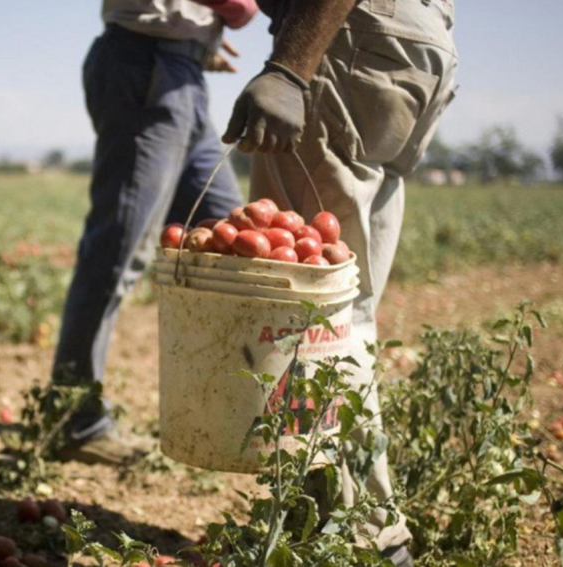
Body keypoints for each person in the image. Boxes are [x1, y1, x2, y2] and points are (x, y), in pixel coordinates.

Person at [222, 0, 457, 565]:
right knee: (345, 308)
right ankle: (344, 527)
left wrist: (288, 68)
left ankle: (362, 539)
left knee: (306, 310)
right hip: (417, 47)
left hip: (349, 40)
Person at [53, 0, 260, 465]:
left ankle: (225, 410)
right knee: (118, 248)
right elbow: (243, 7)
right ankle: (74, 419)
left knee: (233, 239)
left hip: (182, 70)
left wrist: (199, 33)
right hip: (146, 65)